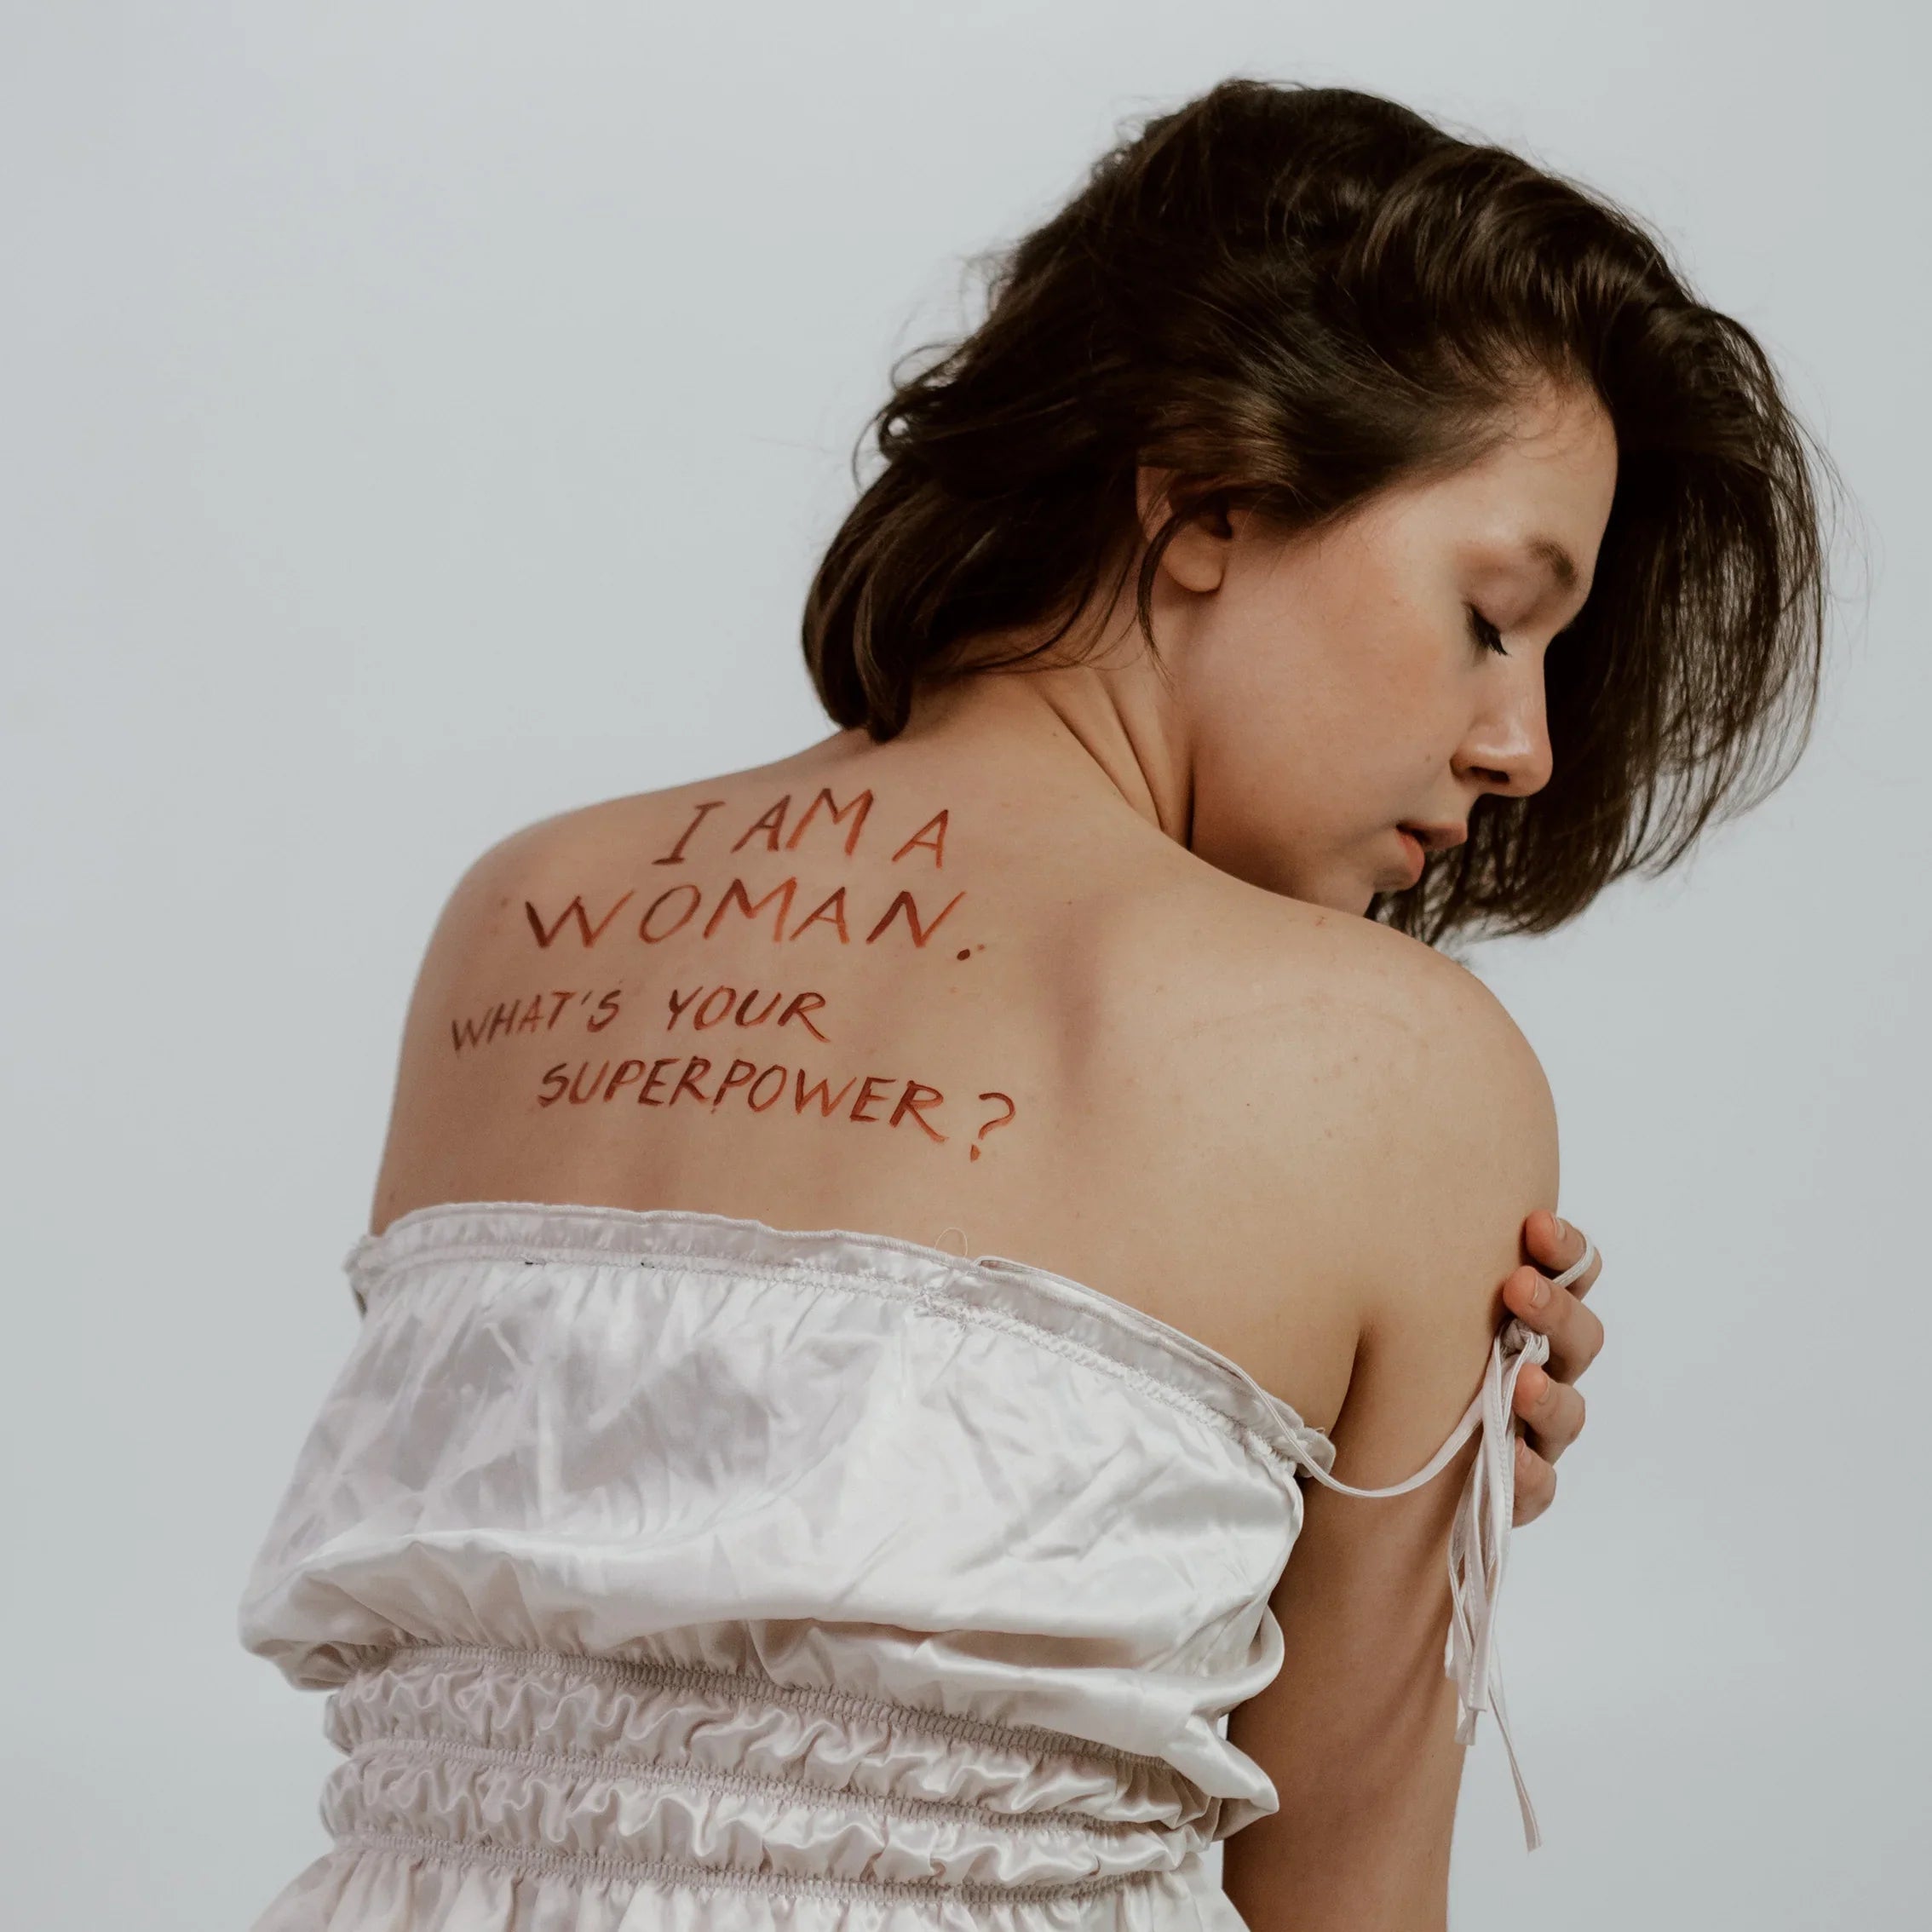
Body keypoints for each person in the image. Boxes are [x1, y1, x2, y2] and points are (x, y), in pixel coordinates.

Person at [239, 79, 1826, 1932]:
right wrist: (1374, 1554)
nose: (1526, 746)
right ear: (1209, 495)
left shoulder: (521, 922)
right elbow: (1344, 1897)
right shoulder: (1395, 1072)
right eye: (1496, 614)